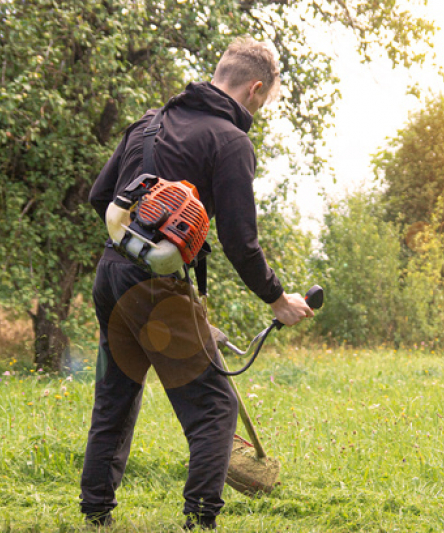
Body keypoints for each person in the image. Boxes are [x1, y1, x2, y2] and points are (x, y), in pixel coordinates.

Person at [82, 37, 314, 530]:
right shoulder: (230, 142)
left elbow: (98, 196)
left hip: (110, 276)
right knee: (214, 407)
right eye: (265, 101)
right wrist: (277, 299)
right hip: (153, 289)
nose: (261, 109)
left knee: (116, 396)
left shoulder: (147, 124)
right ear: (255, 89)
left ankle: (95, 513)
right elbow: (240, 240)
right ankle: (200, 519)